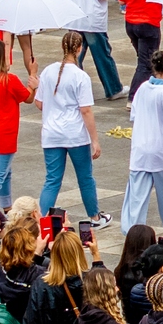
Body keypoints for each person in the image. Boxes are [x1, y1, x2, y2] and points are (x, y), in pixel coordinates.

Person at [35, 32, 107, 225]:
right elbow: (85, 111)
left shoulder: (48, 71)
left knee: (52, 180)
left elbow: (40, 103)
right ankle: (94, 217)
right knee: (85, 178)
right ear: (79, 48)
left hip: (51, 134)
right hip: (75, 135)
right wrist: (95, 140)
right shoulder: (81, 76)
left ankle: (42, 220)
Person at [122, 50, 163, 235]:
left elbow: (134, 115)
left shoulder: (141, 89)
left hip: (140, 151)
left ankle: (132, 233)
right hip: (160, 154)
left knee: (136, 199)